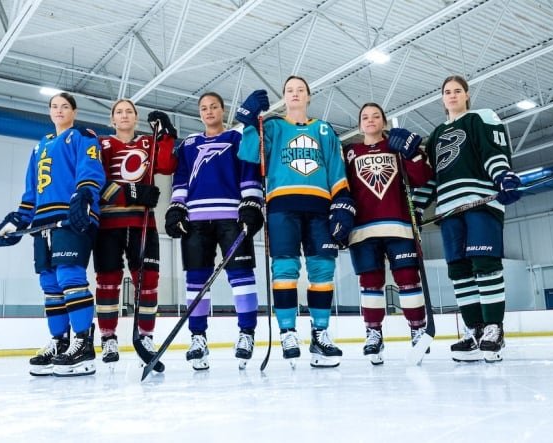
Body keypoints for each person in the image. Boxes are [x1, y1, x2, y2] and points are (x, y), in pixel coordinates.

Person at [236, 76, 355, 368]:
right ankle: (288, 332)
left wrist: (342, 204)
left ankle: (320, 333)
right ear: (284, 97)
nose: (295, 94)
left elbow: (337, 171)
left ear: (309, 96)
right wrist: (249, 121)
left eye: (300, 89)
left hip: (319, 207)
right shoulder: (273, 127)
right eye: (289, 90)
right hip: (282, 207)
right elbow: (249, 153)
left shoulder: (325, 129)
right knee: (285, 269)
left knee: (322, 270)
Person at [0, 92, 105, 377]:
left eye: (64, 106)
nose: (58, 110)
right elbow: (31, 190)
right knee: (51, 284)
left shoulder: (82, 135)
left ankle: (83, 343)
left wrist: (84, 195)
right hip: (42, 223)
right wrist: (18, 220)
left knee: (70, 277)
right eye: (54, 106)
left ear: (74, 111)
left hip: (70, 217)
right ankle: (60, 342)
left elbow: (89, 168)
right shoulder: (39, 146)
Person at [413, 75, 521, 363]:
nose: (452, 96)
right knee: (459, 271)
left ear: (467, 94)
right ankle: (475, 331)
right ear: (442, 97)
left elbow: (492, 152)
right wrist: (416, 205)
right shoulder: (435, 134)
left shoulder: (480, 119)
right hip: (449, 209)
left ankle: (494, 329)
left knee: (485, 264)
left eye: (457, 91)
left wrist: (503, 177)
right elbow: (432, 177)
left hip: (479, 202)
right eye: (447, 91)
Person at [165, 92, 264, 370]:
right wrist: (176, 207)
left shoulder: (236, 139)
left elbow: (248, 171)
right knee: (196, 280)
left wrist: (252, 202)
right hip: (195, 219)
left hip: (231, 216)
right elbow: (181, 178)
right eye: (204, 108)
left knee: (241, 276)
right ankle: (198, 338)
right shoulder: (189, 144)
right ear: (199, 113)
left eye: (214, 107)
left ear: (223, 110)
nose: (208, 112)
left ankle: (246, 333)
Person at [342, 103, 433, 365]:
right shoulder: (350, 152)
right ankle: (373, 333)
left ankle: (417, 329)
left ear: (383, 121)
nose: (370, 120)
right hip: (362, 229)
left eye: (375, 116)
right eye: (364, 117)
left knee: (407, 278)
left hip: (398, 224)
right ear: (359, 125)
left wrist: (412, 151)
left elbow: (422, 177)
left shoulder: (396, 147)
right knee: (370, 283)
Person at [93, 99, 177, 369]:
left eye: (129, 111)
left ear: (137, 118)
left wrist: (167, 135)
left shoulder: (147, 143)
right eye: (119, 111)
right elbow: (95, 180)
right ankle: (108, 337)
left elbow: (166, 164)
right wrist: (131, 192)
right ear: (112, 119)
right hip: (108, 224)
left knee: (148, 280)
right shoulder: (102, 144)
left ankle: (146, 336)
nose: (124, 115)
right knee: (107, 281)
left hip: (144, 222)